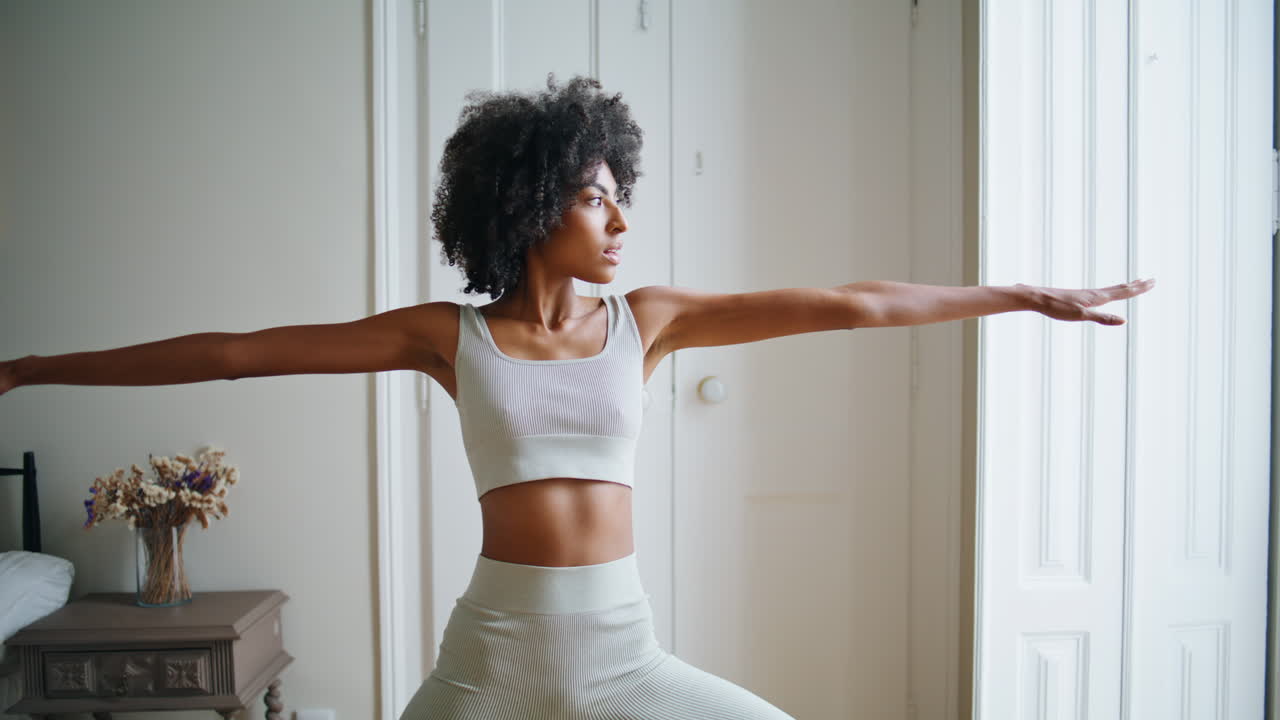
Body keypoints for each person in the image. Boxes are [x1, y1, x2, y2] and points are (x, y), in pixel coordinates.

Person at [0, 74, 1154, 719]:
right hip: (491, 659)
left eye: (619, 198)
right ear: (533, 197)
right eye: (597, 198)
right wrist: (30, 370)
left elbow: (850, 303)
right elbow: (238, 352)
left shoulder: (646, 320)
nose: (618, 219)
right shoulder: (445, 338)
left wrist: (1019, 294)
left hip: (624, 654)